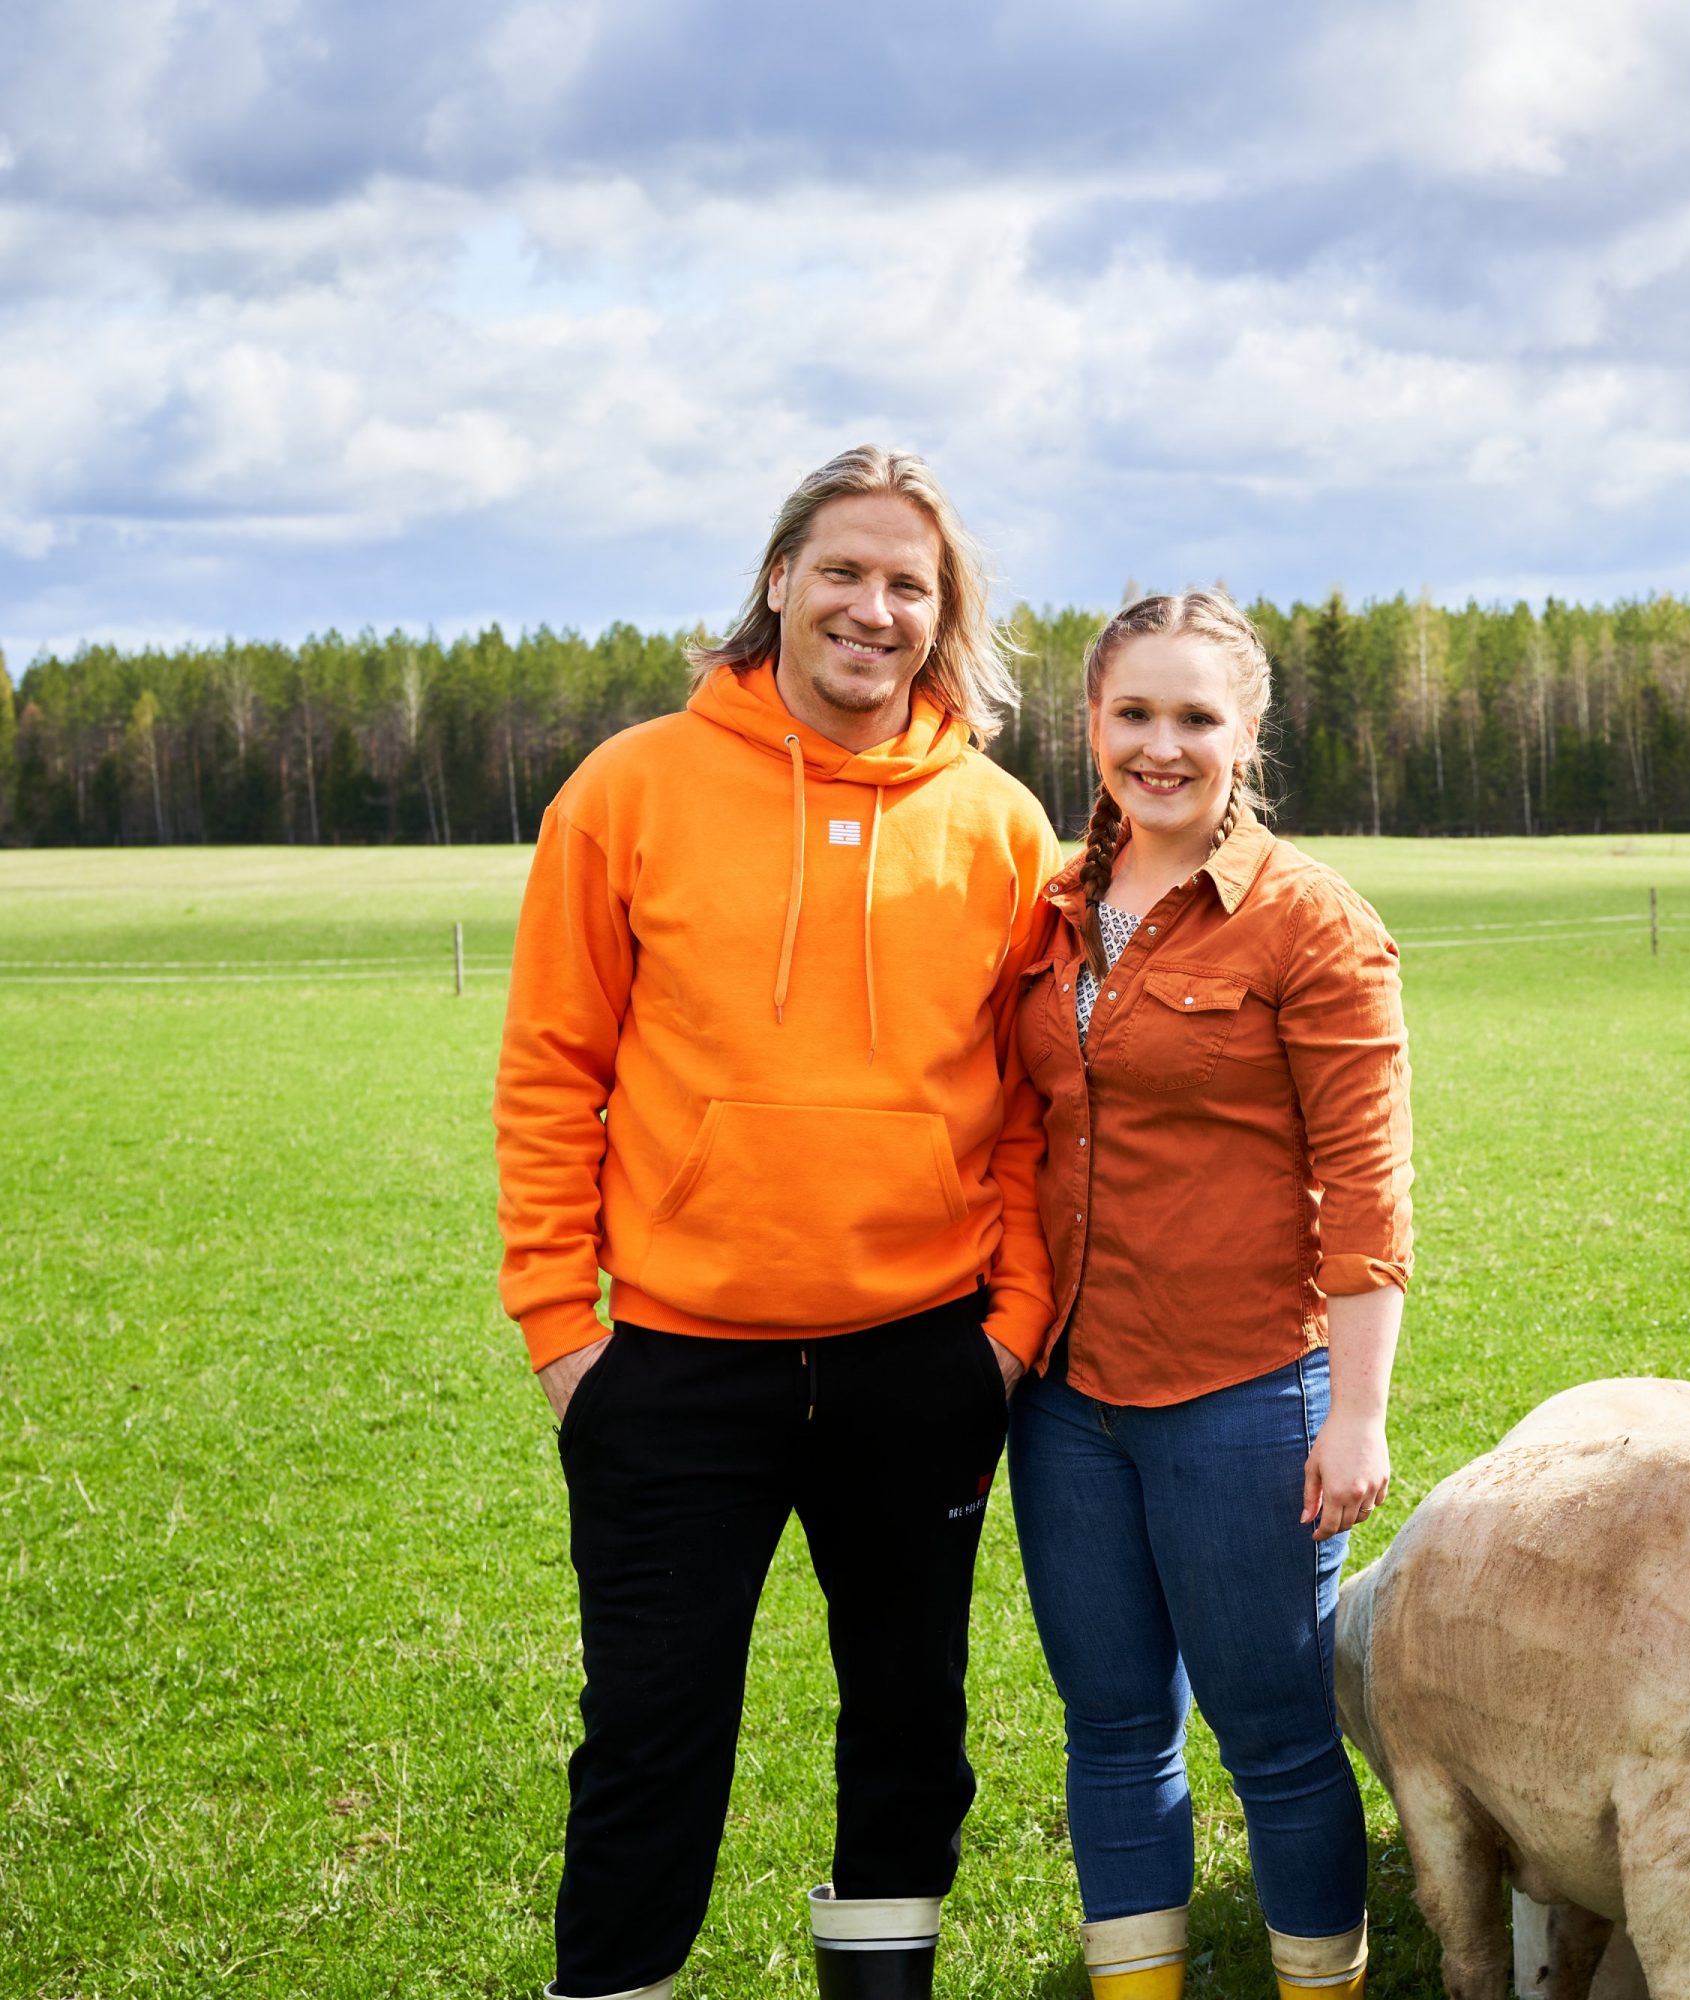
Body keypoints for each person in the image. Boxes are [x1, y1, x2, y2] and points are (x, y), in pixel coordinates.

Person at [494, 445, 1061, 2000]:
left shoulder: (1004, 827)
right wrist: (562, 1333)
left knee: (909, 1735)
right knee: (650, 1741)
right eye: (843, 571)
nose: (871, 609)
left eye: (907, 585)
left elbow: (1029, 1112)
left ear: (942, 618)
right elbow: (553, 1069)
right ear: (777, 581)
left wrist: (1005, 1340)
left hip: (919, 1361)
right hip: (675, 1372)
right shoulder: (631, 788)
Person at [1008, 590, 1413, 2000]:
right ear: (1094, 724)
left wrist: (1355, 1418)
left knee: (1275, 1738)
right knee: (1114, 1727)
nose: (1161, 747)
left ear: (1246, 733)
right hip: (1064, 1403)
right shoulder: (1052, 905)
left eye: (1195, 718)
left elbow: (1366, 1192)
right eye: (1134, 715)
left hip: (1241, 1394)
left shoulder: (1315, 925)